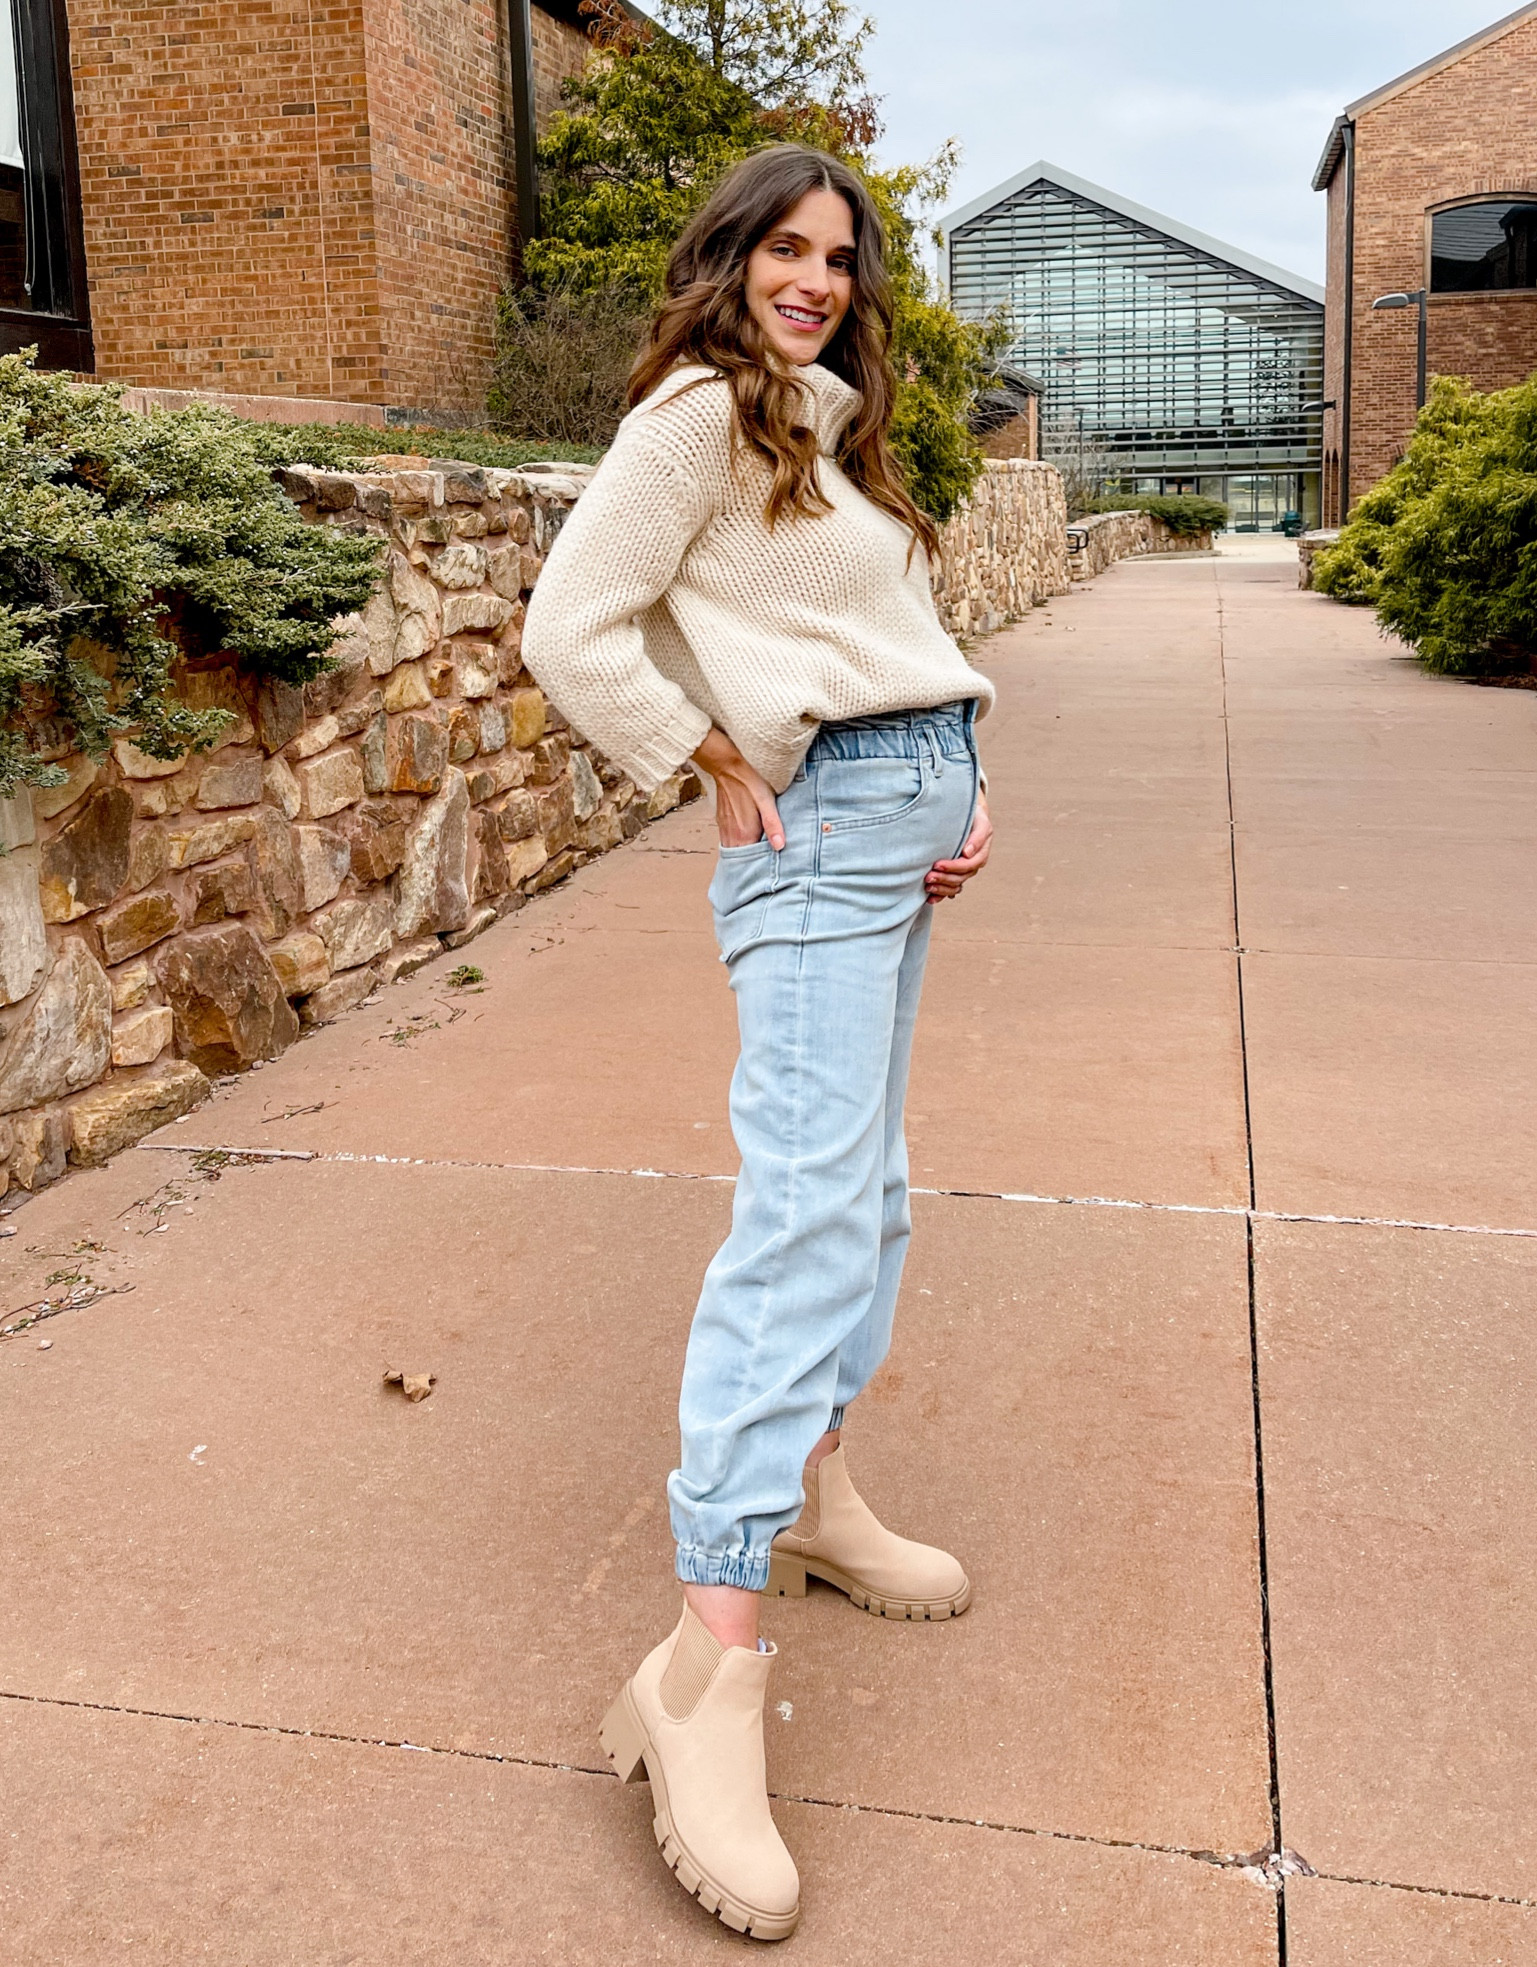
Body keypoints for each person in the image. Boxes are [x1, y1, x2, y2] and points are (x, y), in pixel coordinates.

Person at [523, 142, 995, 1939]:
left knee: (863, 1200)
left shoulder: (820, 420)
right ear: (725, 258)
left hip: (902, 828)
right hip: (811, 848)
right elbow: (570, 626)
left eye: (837, 257)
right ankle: (702, 1655)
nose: (814, 277)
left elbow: (891, 631)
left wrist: (968, 776)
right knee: (804, 1205)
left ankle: (808, 1490)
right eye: (784, 250)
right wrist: (705, 756)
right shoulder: (698, 417)